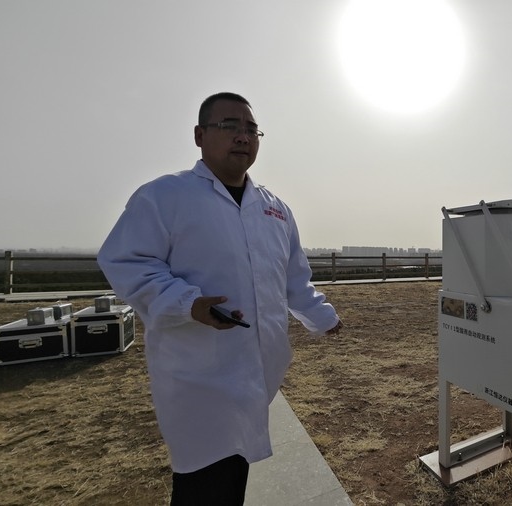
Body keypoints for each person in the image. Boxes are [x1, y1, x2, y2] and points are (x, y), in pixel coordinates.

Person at [97, 92, 342, 505]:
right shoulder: (165, 196)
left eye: (251, 129)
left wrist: (323, 316)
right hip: (198, 379)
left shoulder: (275, 209)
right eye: (229, 126)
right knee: (204, 481)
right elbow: (127, 261)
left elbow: (292, 278)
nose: (243, 136)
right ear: (199, 135)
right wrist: (188, 303)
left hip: (258, 373)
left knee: (233, 473)